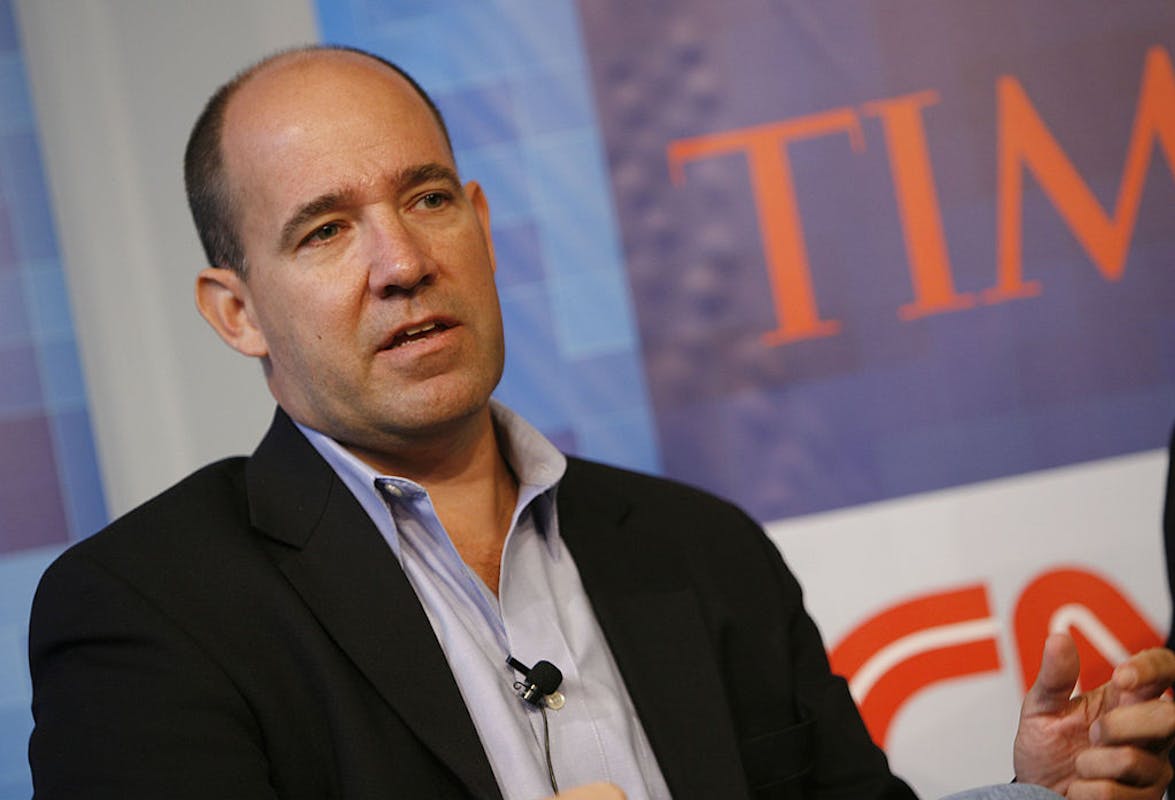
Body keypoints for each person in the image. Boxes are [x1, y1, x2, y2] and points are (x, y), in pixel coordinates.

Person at [27, 45, 1175, 800]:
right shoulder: (148, 610)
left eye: (427, 197)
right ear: (235, 311)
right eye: (324, 230)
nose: (401, 261)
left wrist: (1031, 794)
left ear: (480, 223)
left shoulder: (699, 547)